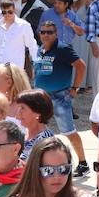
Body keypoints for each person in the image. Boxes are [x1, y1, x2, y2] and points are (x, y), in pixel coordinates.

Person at [31, 22, 87, 171]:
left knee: (69, 131)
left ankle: (83, 163)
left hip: (60, 97)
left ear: (56, 34)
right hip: (42, 97)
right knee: (39, 130)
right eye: (43, 32)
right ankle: (41, 163)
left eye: (49, 32)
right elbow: (38, 69)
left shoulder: (63, 49)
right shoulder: (41, 49)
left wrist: (75, 87)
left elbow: (81, 66)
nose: (46, 35)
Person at [0, 0, 38, 69]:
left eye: (10, 12)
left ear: (14, 10)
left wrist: (36, 61)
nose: (7, 14)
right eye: (4, 12)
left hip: (16, 68)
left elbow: (31, 44)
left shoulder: (24, 25)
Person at [13, 89, 55, 161]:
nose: (17, 114)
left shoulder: (45, 142)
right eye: (18, 108)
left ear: (37, 112)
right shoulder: (22, 132)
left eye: (22, 108)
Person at [70, 0, 92, 91]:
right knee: (73, 57)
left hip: (84, 35)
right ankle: (73, 82)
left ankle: (82, 84)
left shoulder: (88, 3)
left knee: (82, 57)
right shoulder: (72, 4)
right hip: (73, 34)